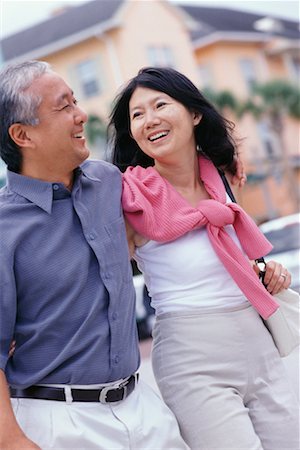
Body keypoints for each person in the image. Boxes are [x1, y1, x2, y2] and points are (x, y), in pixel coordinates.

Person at [0, 61, 188, 450]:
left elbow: (179, 180)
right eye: (63, 106)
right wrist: (12, 439)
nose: (81, 115)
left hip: (143, 406)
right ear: (22, 135)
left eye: (76, 101)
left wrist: (223, 167)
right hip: (58, 422)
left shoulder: (109, 182)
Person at [108, 67, 299, 450]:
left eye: (161, 104)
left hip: (258, 347)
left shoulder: (220, 177)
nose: (150, 119)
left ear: (194, 114)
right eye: (138, 114)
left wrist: (263, 271)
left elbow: (229, 258)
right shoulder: (131, 199)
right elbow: (99, 274)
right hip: (192, 361)